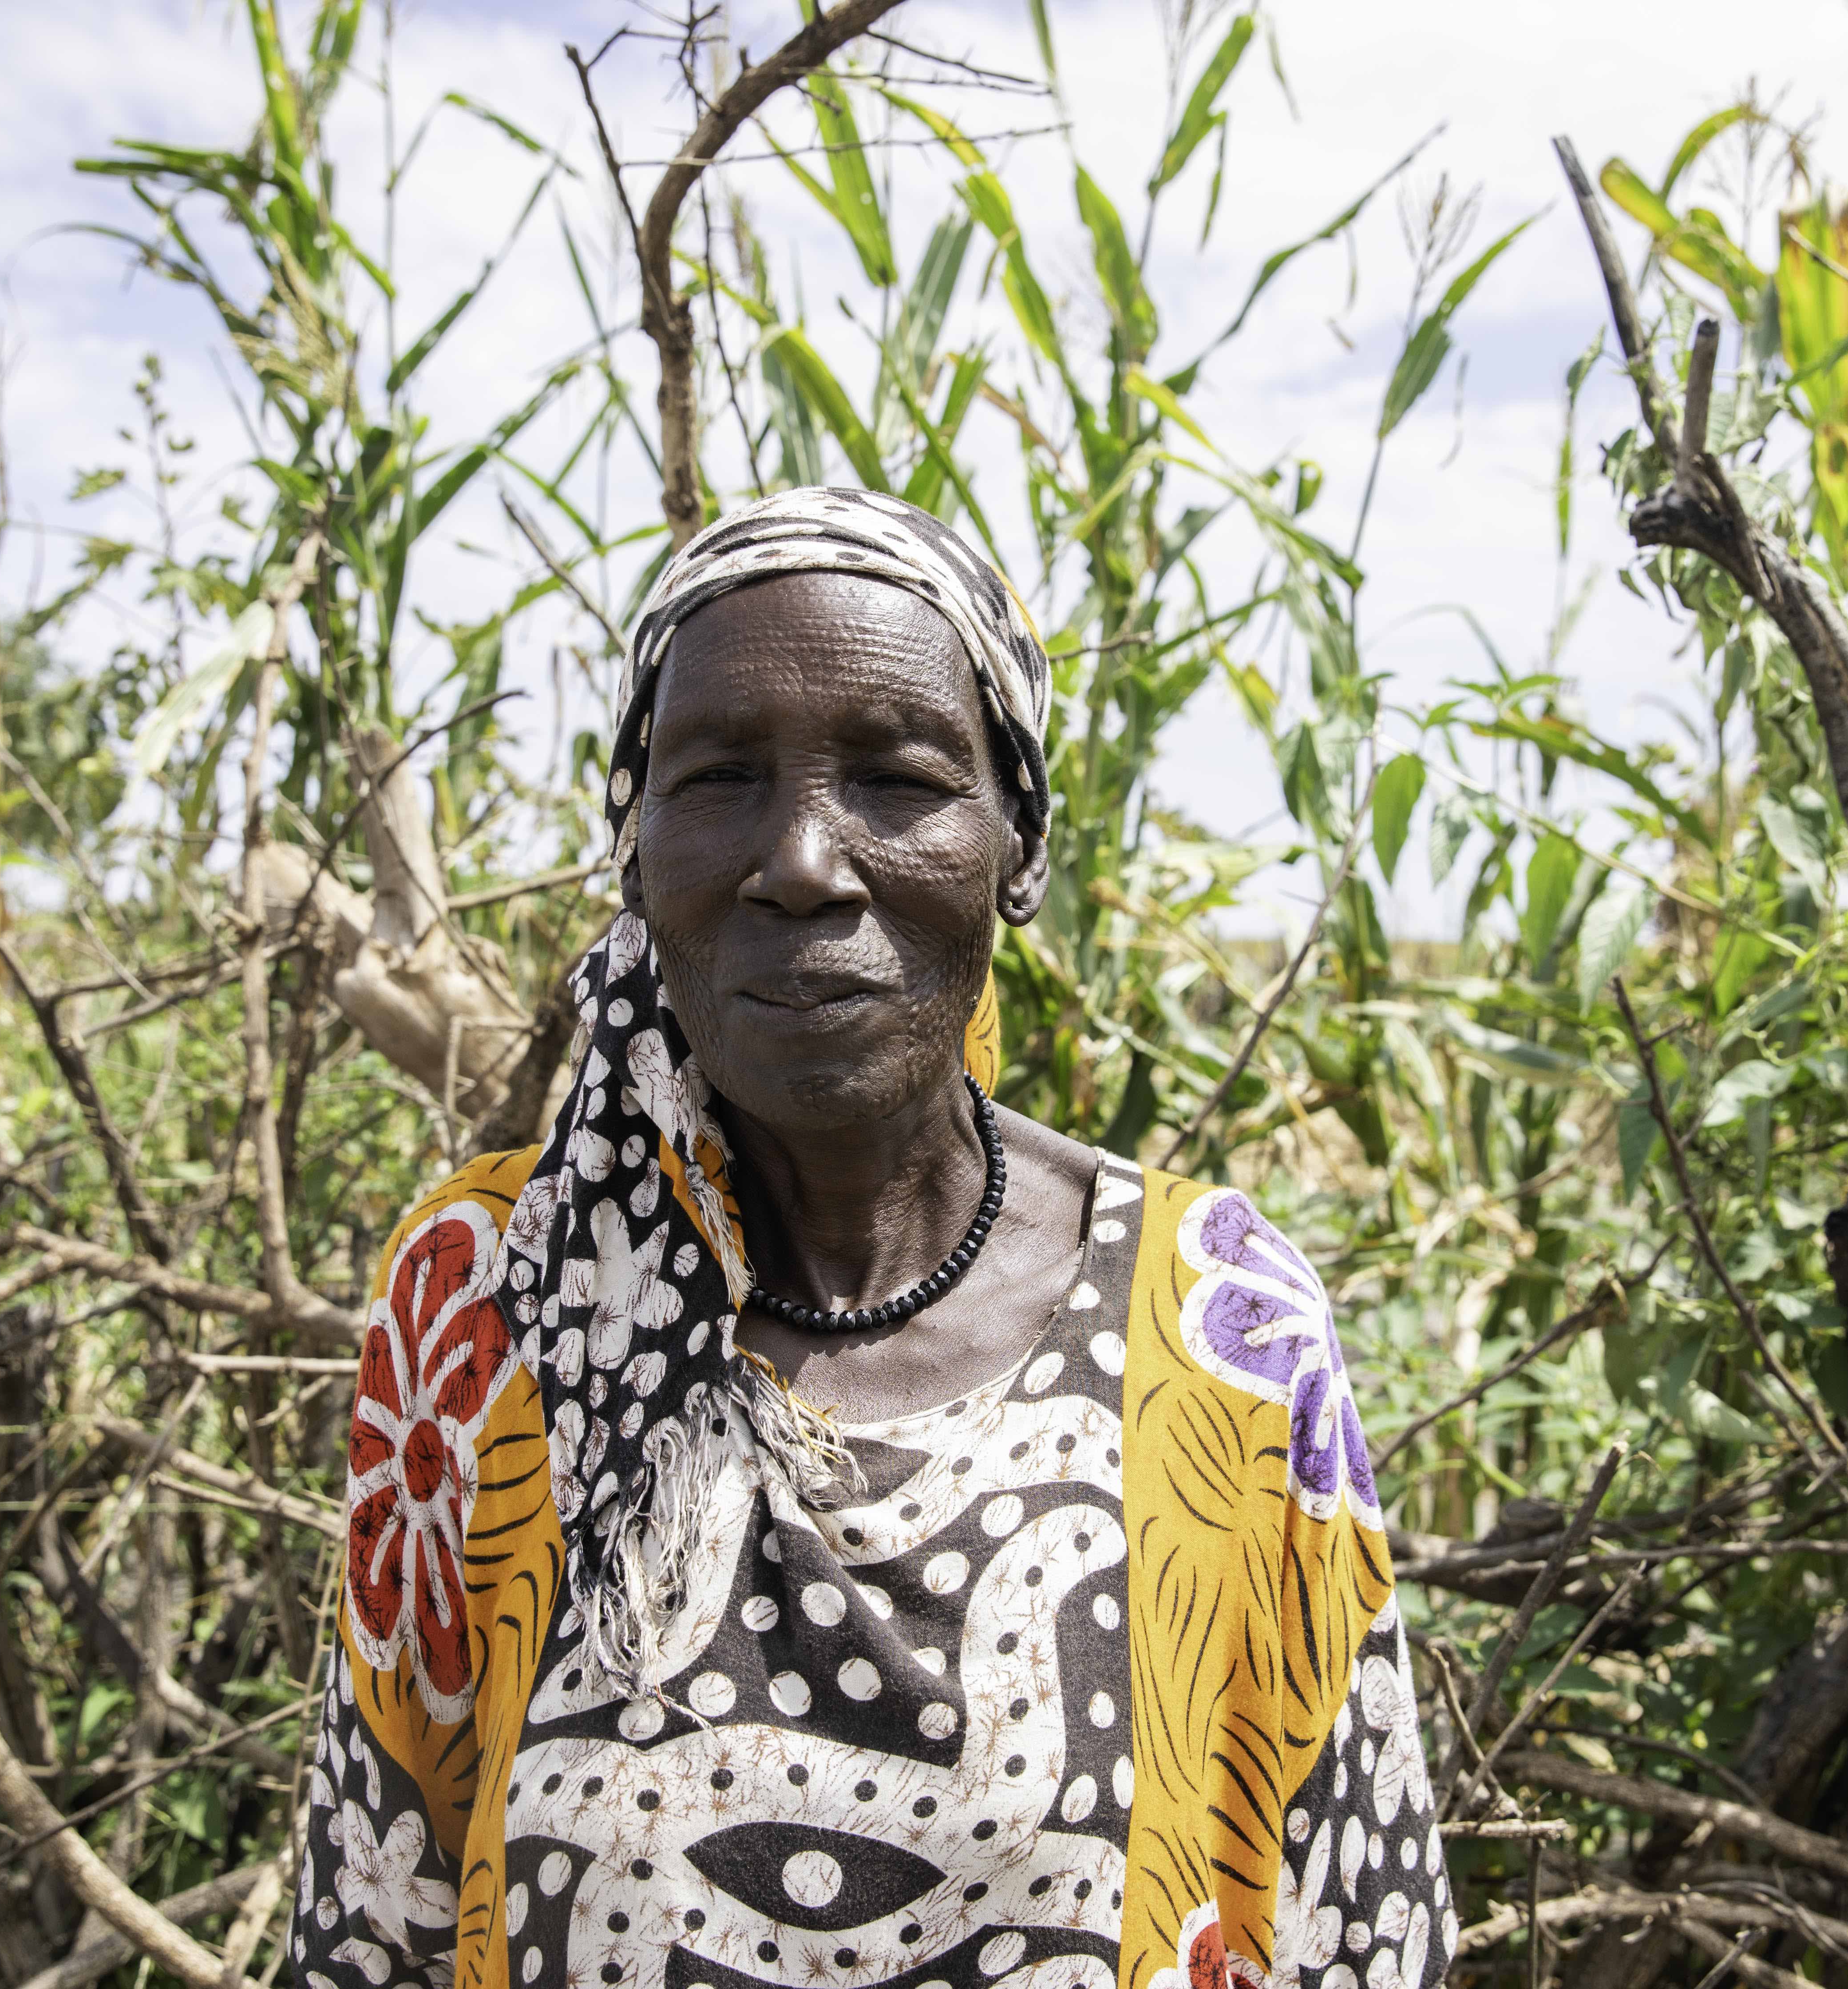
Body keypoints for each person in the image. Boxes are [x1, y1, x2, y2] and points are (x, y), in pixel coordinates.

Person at [290, 488, 1453, 1989]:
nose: (802, 861)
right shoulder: (493, 1296)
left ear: (1019, 846)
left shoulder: (1215, 1322)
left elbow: (1353, 1924)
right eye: (718, 777)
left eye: (896, 779)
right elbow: (372, 1905)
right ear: (634, 839)